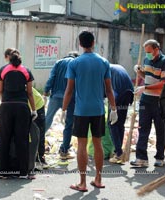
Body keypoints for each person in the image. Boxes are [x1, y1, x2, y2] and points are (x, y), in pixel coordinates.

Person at [62, 31, 117, 192]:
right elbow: (109, 89)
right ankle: (98, 179)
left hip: (81, 110)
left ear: (80, 44)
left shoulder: (74, 63)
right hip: (98, 109)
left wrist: (64, 109)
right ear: (94, 42)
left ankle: (82, 182)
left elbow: (69, 90)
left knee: (82, 144)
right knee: (97, 143)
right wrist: (113, 108)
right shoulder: (104, 62)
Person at [0, 49, 37, 179]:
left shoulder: (3, 70)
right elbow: (30, 93)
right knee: (22, 139)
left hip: (6, 107)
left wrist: (6, 103)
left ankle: (2, 171)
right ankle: (23, 172)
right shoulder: (26, 71)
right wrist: (34, 110)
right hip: (22, 107)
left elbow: (0, 91)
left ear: (9, 58)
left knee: (4, 139)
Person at [3, 48, 47, 168]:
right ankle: (25, 160)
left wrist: (33, 111)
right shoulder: (15, 76)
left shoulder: (21, 78)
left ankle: (40, 159)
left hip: (37, 105)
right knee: (24, 134)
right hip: (26, 107)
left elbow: (30, 95)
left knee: (37, 134)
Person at [131, 39, 165, 167]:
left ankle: (159, 158)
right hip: (145, 101)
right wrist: (139, 72)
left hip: (159, 102)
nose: (147, 54)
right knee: (143, 129)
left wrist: (145, 88)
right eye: (146, 52)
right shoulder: (146, 60)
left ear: (156, 49)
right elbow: (147, 78)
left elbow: (163, 84)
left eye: (149, 52)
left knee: (160, 130)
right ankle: (141, 158)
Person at [43, 51, 79, 159]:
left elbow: (51, 78)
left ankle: (38, 142)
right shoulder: (76, 63)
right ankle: (64, 149)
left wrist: (45, 92)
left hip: (55, 96)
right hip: (70, 98)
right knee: (68, 123)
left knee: (48, 119)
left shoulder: (58, 63)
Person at [107, 64, 134, 164]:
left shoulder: (103, 70)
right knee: (119, 123)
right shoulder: (114, 67)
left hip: (119, 95)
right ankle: (118, 152)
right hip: (128, 94)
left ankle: (118, 153)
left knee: (111, 123)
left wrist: (113, 109)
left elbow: (107, 91)